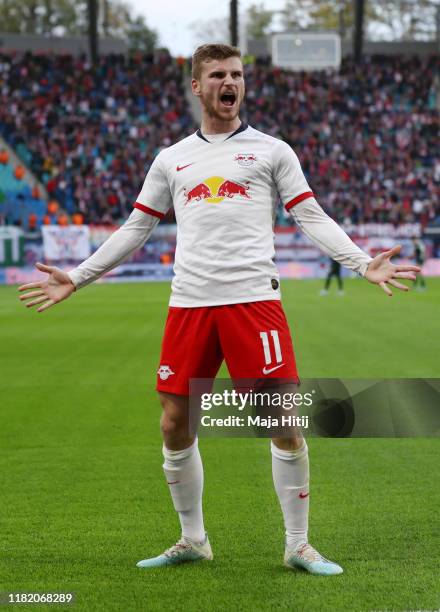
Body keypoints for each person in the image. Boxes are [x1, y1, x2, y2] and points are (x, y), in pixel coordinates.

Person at [18, 44, 420, 577]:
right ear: (197, 85)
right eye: (217, 75)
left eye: (236, 75)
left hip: (254, 302)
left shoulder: (273, 151)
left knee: (280, 420)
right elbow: (137, 228)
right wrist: (78, 276)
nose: (229, 83)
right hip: (189, 303)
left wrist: (361, 262)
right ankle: (192, 539)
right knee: (174, 421)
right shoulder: (172, 158)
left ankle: (298, 543)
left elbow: (311, 215)